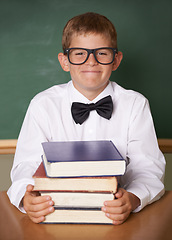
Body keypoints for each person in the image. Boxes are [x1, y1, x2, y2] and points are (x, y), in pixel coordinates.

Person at [7, 12, 166, 225]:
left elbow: (147, 167)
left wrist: (133, 198)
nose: (91, 61)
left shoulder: (135, 104)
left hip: (117, 216)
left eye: (102, 53)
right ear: (65, 61)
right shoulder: (43, 104)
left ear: (116, 60)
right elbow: (26, 165)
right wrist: (27, 199)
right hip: (54, 213)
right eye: (80, 53)